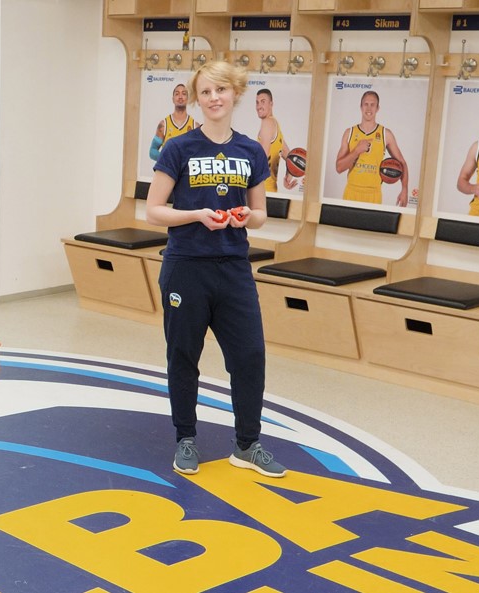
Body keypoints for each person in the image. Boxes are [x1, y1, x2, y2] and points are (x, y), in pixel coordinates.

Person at [144, 60, 286, 480]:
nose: (214, 98)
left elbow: (261, 213)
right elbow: (153, 211)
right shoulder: (179, 148)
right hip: (186, 266)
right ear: (197, 98)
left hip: (234, 268)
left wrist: (244, 217)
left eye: (221, 90)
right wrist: (196, 215)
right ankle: (186, 439)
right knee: (184, 355)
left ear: (235, 93)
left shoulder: (251, 150)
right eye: (205, 92)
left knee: (250, 355)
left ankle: (247, 444)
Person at [334, 90, 409, 206]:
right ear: (361, 107)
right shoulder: (349, 133)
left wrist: (404, 189)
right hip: (351, 192)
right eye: (366, 104)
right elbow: (339, 168)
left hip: (373, 194)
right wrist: (356, 151)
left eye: (372, 105)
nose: (369, 108)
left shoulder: (386, 134)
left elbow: (402, 163)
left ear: (378, 108)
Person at [254, 88, 298, 192]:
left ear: (271, 103)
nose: (259, 106)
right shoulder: (276, 126)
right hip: (272, 190)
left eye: (263, 102)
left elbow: (261, 158)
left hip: (262, 191)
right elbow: (291, 158)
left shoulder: (267, 122)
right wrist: (288, 175)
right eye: (257, 102)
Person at [149, 83, 198, 161]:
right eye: (177, 94)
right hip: (168, 172)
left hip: (186, 172)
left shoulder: (195, 126)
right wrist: (169, 160)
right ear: (173, 99)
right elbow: (152, 151)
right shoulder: (164, 125)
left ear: (187, 99)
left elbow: (201, 152)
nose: (180, 97)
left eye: (184, 94)